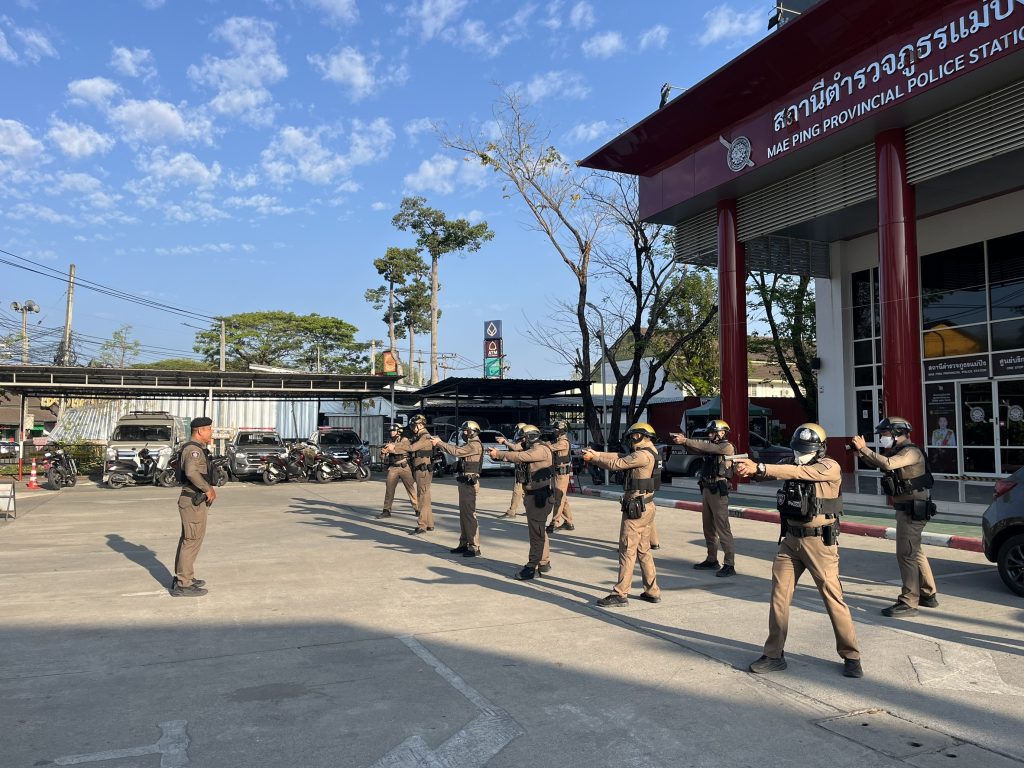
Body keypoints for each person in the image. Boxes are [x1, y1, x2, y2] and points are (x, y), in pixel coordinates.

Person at [735, 423, 863, 678]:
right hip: (790, 540)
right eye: (797, 449)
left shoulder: (829, 466)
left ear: (820, 449)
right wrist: (747, 467)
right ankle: (773, 655)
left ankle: (851, 655)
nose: (799, 454)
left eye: (805, 450)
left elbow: (797, 472)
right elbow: (776, 472)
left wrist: (761, 467)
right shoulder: (792, 463)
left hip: (819, 544)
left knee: (832, 598)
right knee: (779, 597)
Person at [852, 416, 938, 617]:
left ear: (898, 433)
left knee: (906, 554)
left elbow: (889, 464)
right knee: (914, 551)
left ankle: (909, 602)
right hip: (908, 508)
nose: (882, 438)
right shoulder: (900, 451)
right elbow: (884, 464)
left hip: (913, 509)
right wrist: (862, 454)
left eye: (885, 434)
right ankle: (927, 593)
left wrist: (865, 449)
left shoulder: (911, 451)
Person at [582, 422, 662, 608]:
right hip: (646, 506)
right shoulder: (650, 452)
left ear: (638, 436)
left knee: (627, 550)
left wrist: (593, 459)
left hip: (636, 508)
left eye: (632, 437)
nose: (631, 440)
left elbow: (617, 464)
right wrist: (597, 454)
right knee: (643, 550)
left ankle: (620, 594)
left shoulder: (641, 455)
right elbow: (620, 456)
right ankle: (652, 590)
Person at [672, 419, 737, 577]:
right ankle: (711, 559)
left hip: (718, 490)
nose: (710, 435)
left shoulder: (726, 446)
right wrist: (683, 442)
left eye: (713, 432)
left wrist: (686, 440)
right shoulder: (713, 447)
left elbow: (708, 447)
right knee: (708, 527)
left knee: (723, 529)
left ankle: (729, 564)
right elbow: (698, 449)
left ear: (722, 433)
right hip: (707, 489)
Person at [490, 425, 554, 580]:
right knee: (539, 532)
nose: (522, 442)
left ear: (531, 437)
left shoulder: (540, 449)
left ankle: (532, 567)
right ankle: (543, 562)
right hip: (534, 495)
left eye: (524, 438)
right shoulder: (533, 447)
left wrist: (499, 454)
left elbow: (521, 457)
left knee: (536, 535)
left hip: (539, 497)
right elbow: (519, 452)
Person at [171, 416, 217, 598]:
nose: (211, 432)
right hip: (193, 501)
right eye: (209, 429)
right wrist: (208, 489)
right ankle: (184, 583)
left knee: (190, 539)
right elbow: (191, 472)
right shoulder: (193, 450)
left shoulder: (195, 448)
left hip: (192, 500)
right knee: (191, 541)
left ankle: (185, 576)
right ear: (200, 431)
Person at [434, 420, 485, 557]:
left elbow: (456, 451)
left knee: (469, 515)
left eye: (467, 431)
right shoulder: (469, 444)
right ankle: (464, 543)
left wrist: (439, 443)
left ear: (473, 432)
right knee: (464, 515)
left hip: (469, 482)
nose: (464, 433)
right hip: (464, 481)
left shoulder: (474, 445)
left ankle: (474, 547)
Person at [379, 422, 421, 529]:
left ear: (399, 431)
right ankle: (386, 510)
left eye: (393, 430)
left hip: (404, 466)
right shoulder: (389, 442)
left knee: (410, 488)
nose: (391, 432)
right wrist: (383, 452)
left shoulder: (404, 440)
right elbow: (383, 457)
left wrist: (392, 448)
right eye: (390, 431)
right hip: (393, 467)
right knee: (389, 489)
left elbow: (404, 448)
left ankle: (417, 509)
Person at [546, 419, 576, 533]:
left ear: (561, 431)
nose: (554, 431)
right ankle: (569, 522)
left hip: (562, 473)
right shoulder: (557, 440)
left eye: (556, 429)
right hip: (557, 473)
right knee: (563, 498)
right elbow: (549, 444)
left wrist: (542, 445)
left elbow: (550, 447)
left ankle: (555, 522)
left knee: (558, 499)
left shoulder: (563, 442)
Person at [406, 415, 435, 533]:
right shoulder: (420, 436)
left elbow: (412, 448)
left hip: (423, 470)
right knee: (426, 497)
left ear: (421, 425)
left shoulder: (424, 437)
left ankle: (422, 525)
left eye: (414, 426)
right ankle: (429, 523)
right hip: (421, 470)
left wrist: (395, 447)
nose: (412, 428)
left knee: (422, 498)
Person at [495, 422, 527, 518]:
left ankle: (511, 511)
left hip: (523, 469)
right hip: (521, 468)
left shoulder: (525, 441)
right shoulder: (522, 440)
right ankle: (530, 509)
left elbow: (516, 447)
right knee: (524, 491)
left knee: (517, 489)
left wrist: (505, 441)